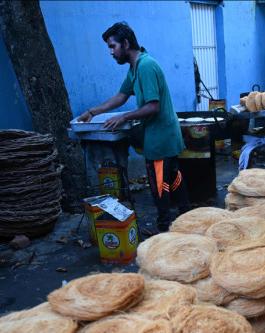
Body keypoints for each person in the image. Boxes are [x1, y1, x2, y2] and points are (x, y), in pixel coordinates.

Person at [78, 22, 189, 237]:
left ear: (126, 43)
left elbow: (153, 105)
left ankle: (163, 227)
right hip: (164, 134)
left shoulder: (146, 66)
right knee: (173, 175)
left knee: (159, 184)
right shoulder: (135, 67)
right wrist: (93, 112)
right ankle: (186, 214)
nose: (111, 52)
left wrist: (124, 117)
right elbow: (121, 96)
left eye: (113, 47)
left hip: (160, 137)